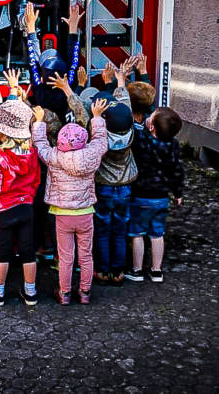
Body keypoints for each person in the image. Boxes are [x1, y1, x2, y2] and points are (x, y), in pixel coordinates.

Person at [31, 100, 109, 305]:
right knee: (85, 255)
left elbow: (40, 145)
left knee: (66, 257)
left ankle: (64, 293)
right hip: (85, 212)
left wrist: (39, 123)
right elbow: (101, 140)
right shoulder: (92, 154)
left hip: (62, 213)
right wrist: (98, 117)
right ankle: (85, 292)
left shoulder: (54, 157)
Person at [0, 99, 41, 307]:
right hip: (26, 209)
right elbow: (36, 180)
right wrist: (28, 198)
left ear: (3, 133)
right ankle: (30, 292)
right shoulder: (32, 154)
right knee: (28, 251)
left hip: (3, 210)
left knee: (2, 254)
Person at [125, 107, 185, 284]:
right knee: (157, 234)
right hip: (161, 198)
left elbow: (136, 134)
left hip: (141, 196)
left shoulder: (142, 141)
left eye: (150, 117)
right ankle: (156, 270)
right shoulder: (173, 145)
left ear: (151, 127)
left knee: (137, 233)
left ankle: (137, 270)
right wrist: (178, 192)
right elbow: (177, 171)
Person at [91, 64, 137, 286]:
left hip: (104, 185)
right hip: (125, 186)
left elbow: (84, 117)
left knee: (102, 228)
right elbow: (125, 106)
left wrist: (71, 92)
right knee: (120, 228)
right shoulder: (129, 133)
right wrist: (121, 82)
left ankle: (102, 270)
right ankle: (118, 272)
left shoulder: (101, 136)